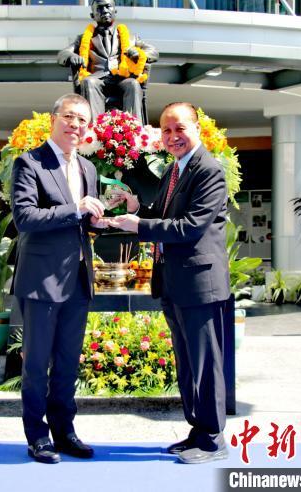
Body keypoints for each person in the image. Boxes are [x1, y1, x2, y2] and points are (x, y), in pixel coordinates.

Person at [108, 102, 231, 464]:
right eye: (166, 130)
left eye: (180, 129)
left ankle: (213, 439)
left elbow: (190, 227)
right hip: (176, 282)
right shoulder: (175, 170)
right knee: (188, 363)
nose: (173, 136)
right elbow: (163, 215)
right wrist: (136, 207)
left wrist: (139, 226)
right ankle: (198, 431)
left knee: (205, 363)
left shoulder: (209, 171)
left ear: (197, 129)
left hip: (200, 284)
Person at [11, 93, 107, 464]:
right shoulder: (30, 162)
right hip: (42, 280)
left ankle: (64, 432)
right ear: (54, 119)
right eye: (70, 117)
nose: (76, 125)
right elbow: (25, 218)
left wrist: (101, 218)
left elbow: (83, 222)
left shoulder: (88, 168)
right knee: (36, 365)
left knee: (68, 363)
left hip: (78, 279)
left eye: (83, 120)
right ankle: (37, 436)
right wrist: (75, 208)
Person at [57, 0, 158, 123]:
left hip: (122, 78)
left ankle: (134, 128)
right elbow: (62, 54)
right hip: (97, 79)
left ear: (115, 11)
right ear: (92, 15)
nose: (104, 10)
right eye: (99, 8)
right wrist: (72, 56)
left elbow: (153, 52)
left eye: (108, 6)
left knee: (132, 84)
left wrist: (139, 54)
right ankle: (94, 130)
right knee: (89, 82)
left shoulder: (131, 38)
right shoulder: (83, 38)